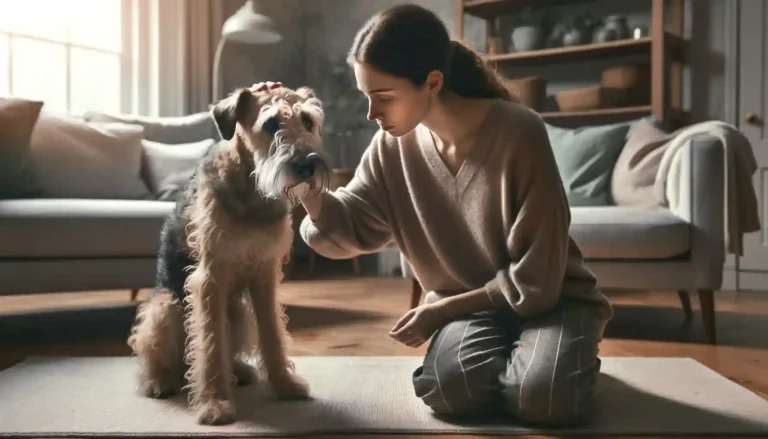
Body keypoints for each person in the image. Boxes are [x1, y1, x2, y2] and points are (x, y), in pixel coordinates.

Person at [253, 3, 613, 427]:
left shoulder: (521, 133)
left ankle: (553, 363)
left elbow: (537, 284)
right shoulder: (392, 147)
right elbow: (350, 226)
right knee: (450, 391)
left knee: (544, 399)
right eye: (366, 97)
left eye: (383, 98)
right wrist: (299, 159)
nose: (372, 114)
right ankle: (535, 364)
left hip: (552, 303)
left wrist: (438, 313)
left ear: (433, 83)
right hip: (471, 312)